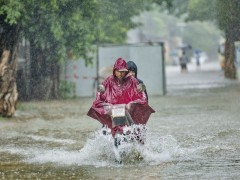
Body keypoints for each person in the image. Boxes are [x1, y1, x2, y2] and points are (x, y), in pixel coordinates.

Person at [87, 58, 155, 136]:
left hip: (129, 110)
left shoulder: (135, 82)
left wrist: (133, 103)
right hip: (115, 109)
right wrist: (101, 91)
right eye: (130, 71)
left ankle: (131, 131)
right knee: (114, 116)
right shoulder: (109, 80)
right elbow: (101, 91)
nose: (131, 74)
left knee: (125, 115)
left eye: (133, 72)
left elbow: (144, 98)